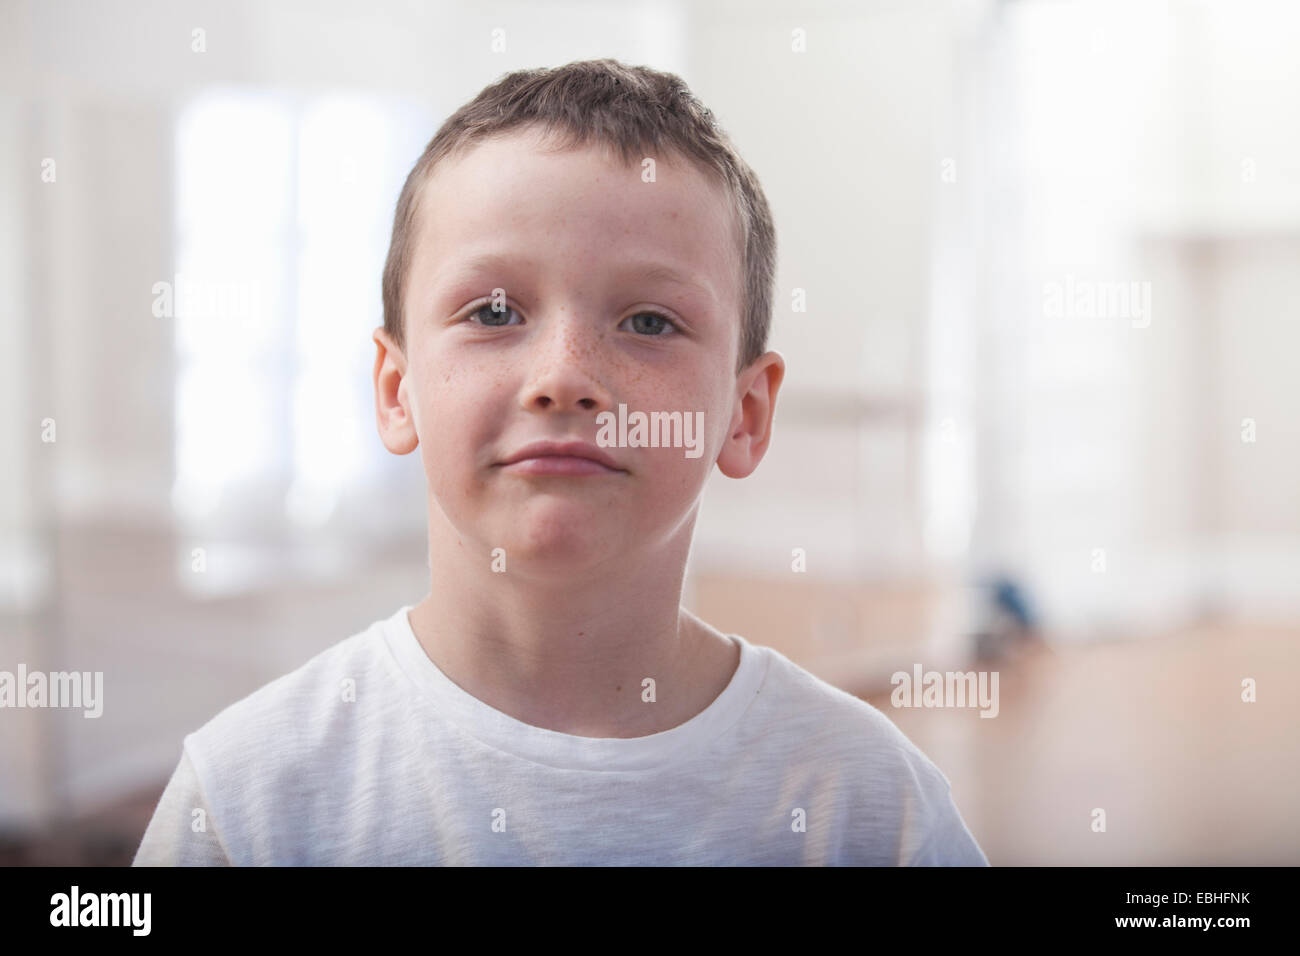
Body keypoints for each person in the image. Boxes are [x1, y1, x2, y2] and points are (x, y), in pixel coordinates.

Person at [133, 58, 988, 866]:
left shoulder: (868, 806)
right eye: (494, 311)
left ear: (745, 414)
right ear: (397, 392)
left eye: (650, 322)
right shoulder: (250, 801)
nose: (565, 379)